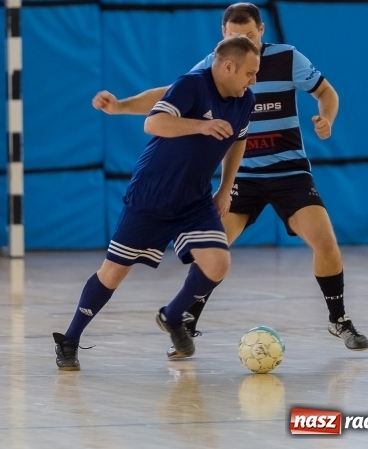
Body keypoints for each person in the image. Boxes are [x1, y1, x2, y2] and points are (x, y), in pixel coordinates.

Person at [92, 2, 368, 355]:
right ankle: (185, 320)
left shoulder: (287, 58)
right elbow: (167, 94)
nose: (244, 43)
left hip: (289, 173)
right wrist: (121, 106)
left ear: (262, 31)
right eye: (235, 37)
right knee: (214, 251)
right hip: (242, 175)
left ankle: (339, 319)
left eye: (250, 36)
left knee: (325, 242)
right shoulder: (215, 65)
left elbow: (326, 92)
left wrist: (326, 117)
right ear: (224, 38)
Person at [53, 35, 259, 371]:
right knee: (113, 273)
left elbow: (238, 140)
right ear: (228, 66)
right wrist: (202, 126)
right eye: (250, 72)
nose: (254, 80)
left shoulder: (244, 99)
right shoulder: (192, 85)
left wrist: (225, 188)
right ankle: (70, 339)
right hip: (152, 195)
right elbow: (153, 122)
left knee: (218, 263)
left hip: (195, 199)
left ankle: (173, 316)